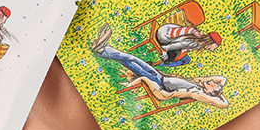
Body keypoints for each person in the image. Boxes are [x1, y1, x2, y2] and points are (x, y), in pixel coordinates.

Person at [92, 23, 229, 109]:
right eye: (214, 46)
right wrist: (218, 90)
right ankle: (104, 50)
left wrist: (217, 93)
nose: (213, 82)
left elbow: (224, 104)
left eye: (214, 85)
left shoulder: (197, 92)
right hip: (161, 72)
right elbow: (223, 79)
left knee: (133, 62)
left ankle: (104, 50)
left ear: (210, 93)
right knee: (133, 61)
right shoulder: (198, 85)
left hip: (159, 83)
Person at [153, 22, 221, 67]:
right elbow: (178, 44)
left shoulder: (198, 34)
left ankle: (160, 63)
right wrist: (165, 50)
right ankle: (158, 64)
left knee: (184, 57)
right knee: (186, 60)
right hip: (163, 37)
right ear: (210, 42)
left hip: (164, 29)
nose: (212, 50)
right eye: (214, 47)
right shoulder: (196, 43)